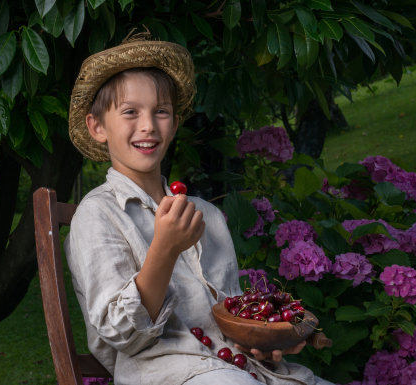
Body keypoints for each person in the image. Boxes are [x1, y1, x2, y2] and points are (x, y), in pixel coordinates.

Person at [64, 33, 334, 385]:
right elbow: (122, 336)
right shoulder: (97, 214)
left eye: (161, 112)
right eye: (130, 112)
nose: (148, 125)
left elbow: (233, 313)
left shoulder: (206, 215)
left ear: (174, 124)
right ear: (97, 126)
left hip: (242, 369)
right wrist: (165, 248)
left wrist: (262, 340)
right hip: (164, 371)